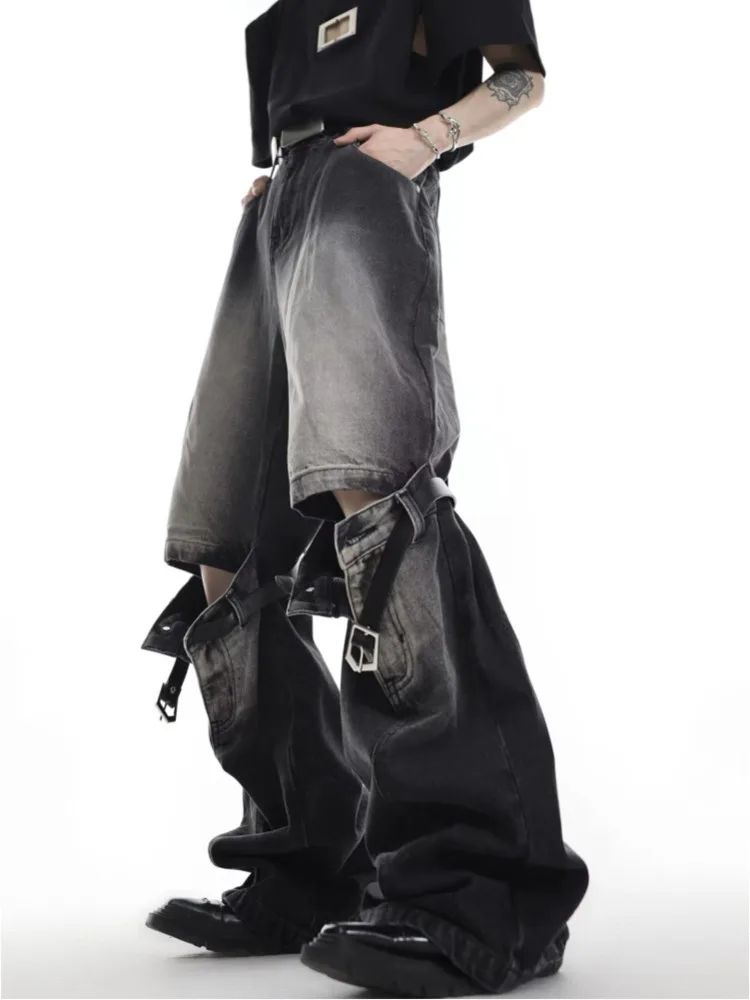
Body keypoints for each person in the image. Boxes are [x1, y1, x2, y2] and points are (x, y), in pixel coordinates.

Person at [140, 0, 589, 995]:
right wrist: (281, 180)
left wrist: (426, 140)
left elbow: (522, 76)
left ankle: (483, 895)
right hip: (280, 205)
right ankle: (306, 867)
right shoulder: (285, 17)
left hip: (366, 184)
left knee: (378, 502)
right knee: (225, 538)